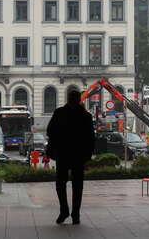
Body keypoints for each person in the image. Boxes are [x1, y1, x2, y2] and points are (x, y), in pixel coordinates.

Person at [46, 89, 95, 225]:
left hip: (63, 153)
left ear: (68, 98)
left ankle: (64, 211)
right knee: (77, 185)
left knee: (60, 184)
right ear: (79, 99)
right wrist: (88, 155)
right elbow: (91, 138)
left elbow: (50, 131)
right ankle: (76, 214)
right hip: (79, 155)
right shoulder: (86, 116)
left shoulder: (59, 112)